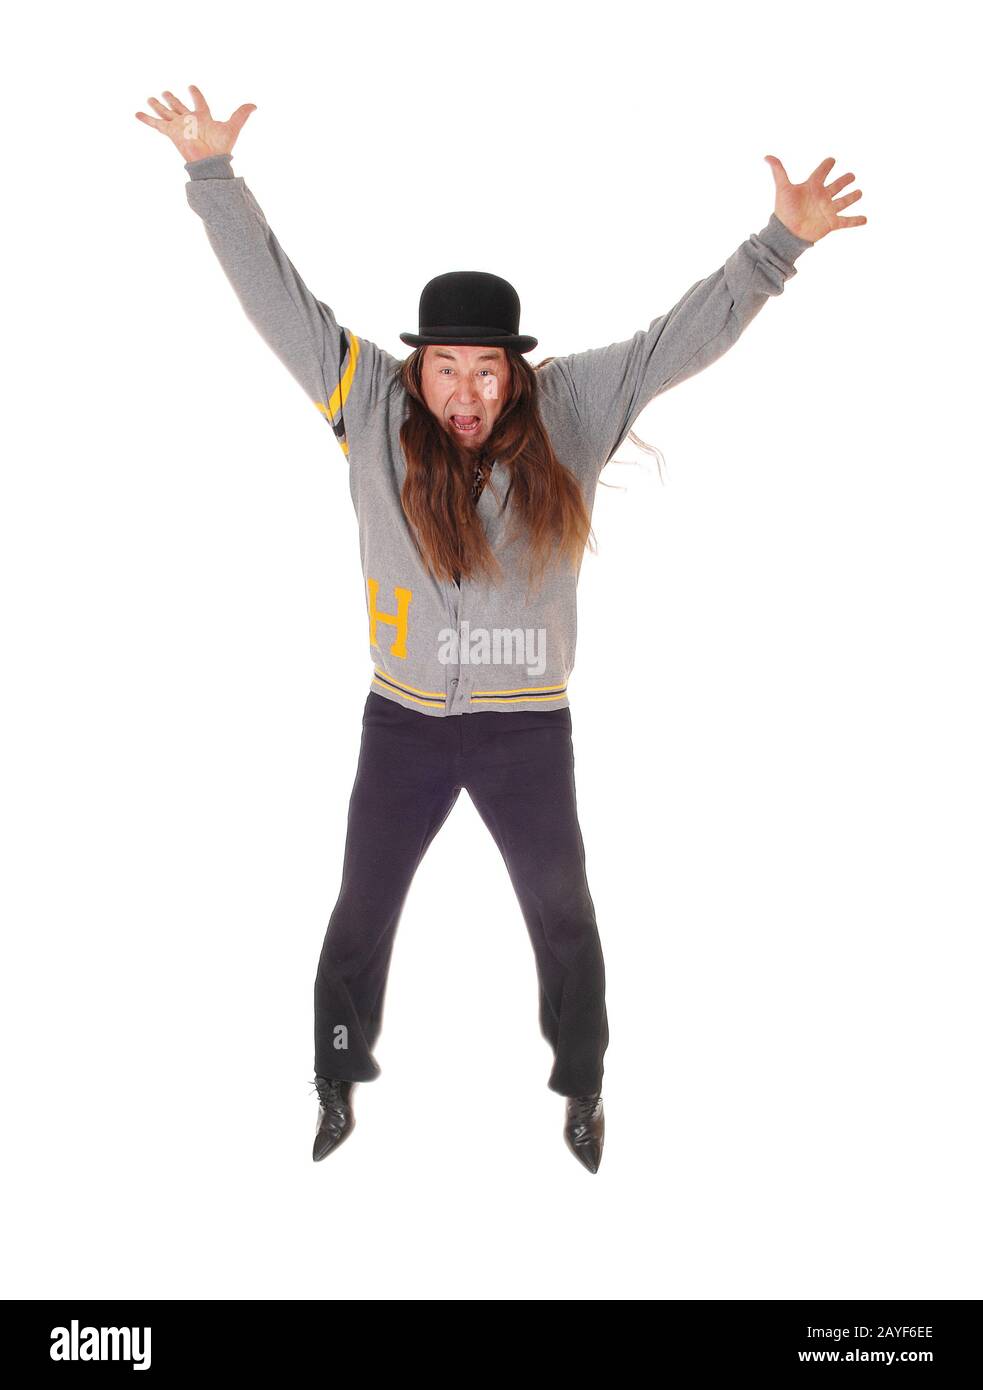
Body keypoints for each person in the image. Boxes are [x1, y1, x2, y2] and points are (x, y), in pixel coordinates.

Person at [136, 85, 866, 1174]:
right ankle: (336, 1071)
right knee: (361, 906)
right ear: (418, 366)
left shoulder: (571, 407)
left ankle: (582, 1085)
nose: (466, 392)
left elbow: (676, 338)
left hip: (527, 728)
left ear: (513, 369)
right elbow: (281, 302)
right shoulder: (372, 405)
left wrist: (776, 246)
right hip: (404, 724)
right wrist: (212, 177)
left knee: (561, 913)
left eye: (486, 371)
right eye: (446, 368)